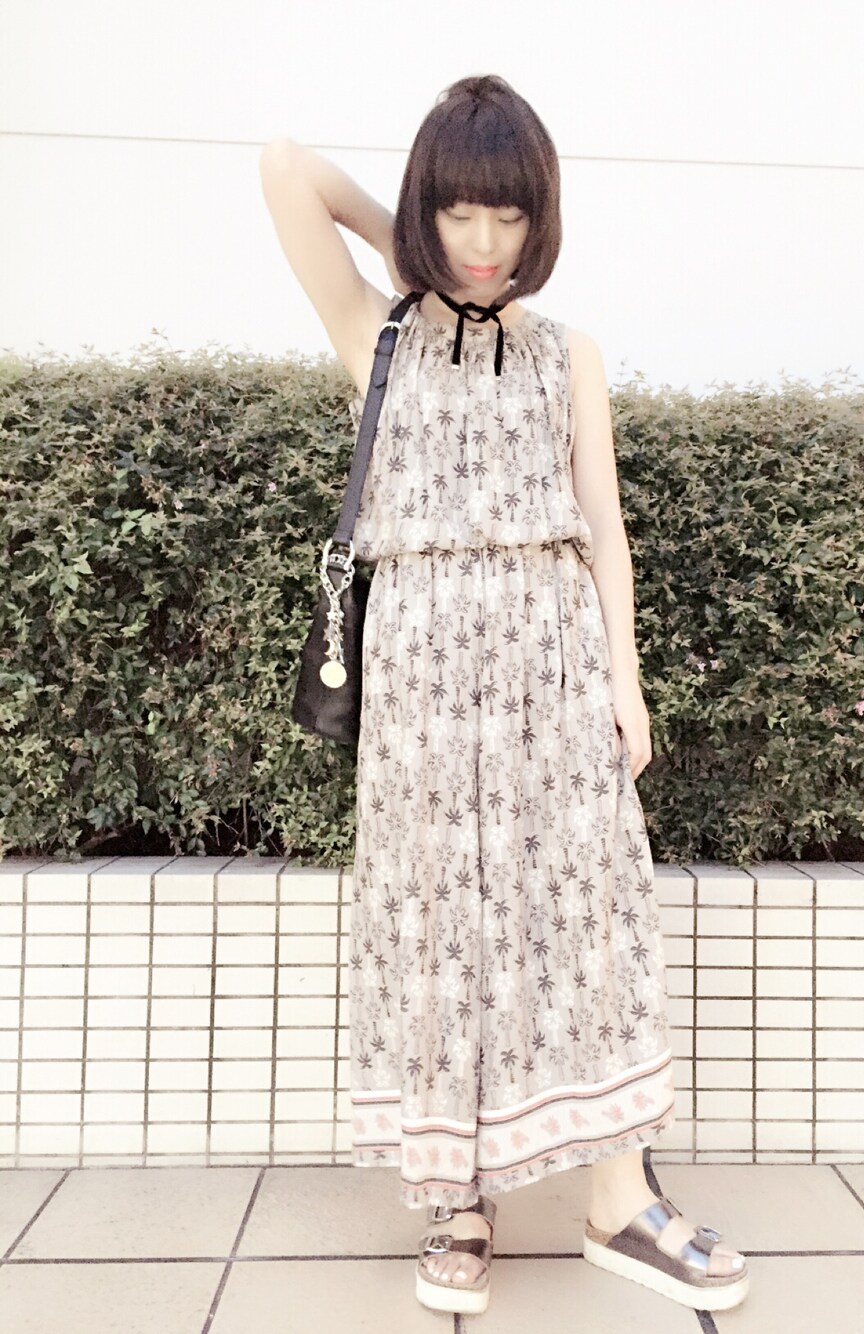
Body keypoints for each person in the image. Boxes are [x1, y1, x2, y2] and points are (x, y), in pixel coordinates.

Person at [259, 73, 748, 1317]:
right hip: (423, 672)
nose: (485, 241)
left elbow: (603, 525)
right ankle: (457, 1200)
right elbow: (284, 167)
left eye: (509, 214)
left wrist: (625, 680)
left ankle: (617, 1201)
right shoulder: (376, 334)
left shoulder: (566, 353)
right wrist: (413, 245)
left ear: (544, 217)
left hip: (552, 661)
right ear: (429, 211)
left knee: (589, 918)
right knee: (437, 926)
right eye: (460, 212)